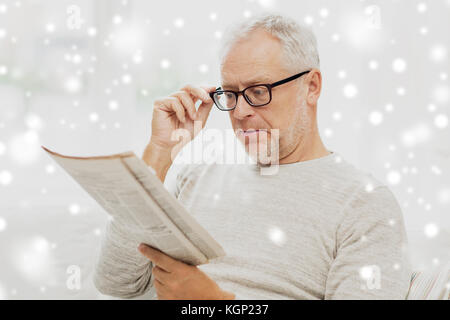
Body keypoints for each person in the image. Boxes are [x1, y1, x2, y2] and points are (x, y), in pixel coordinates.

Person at [93, 13, 412, 300]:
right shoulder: (198, 175)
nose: (241, 111)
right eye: (230, 94)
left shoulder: (365, 204)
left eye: (259, 92)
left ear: (311, 87)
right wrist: (160, 152)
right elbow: (116, 282)